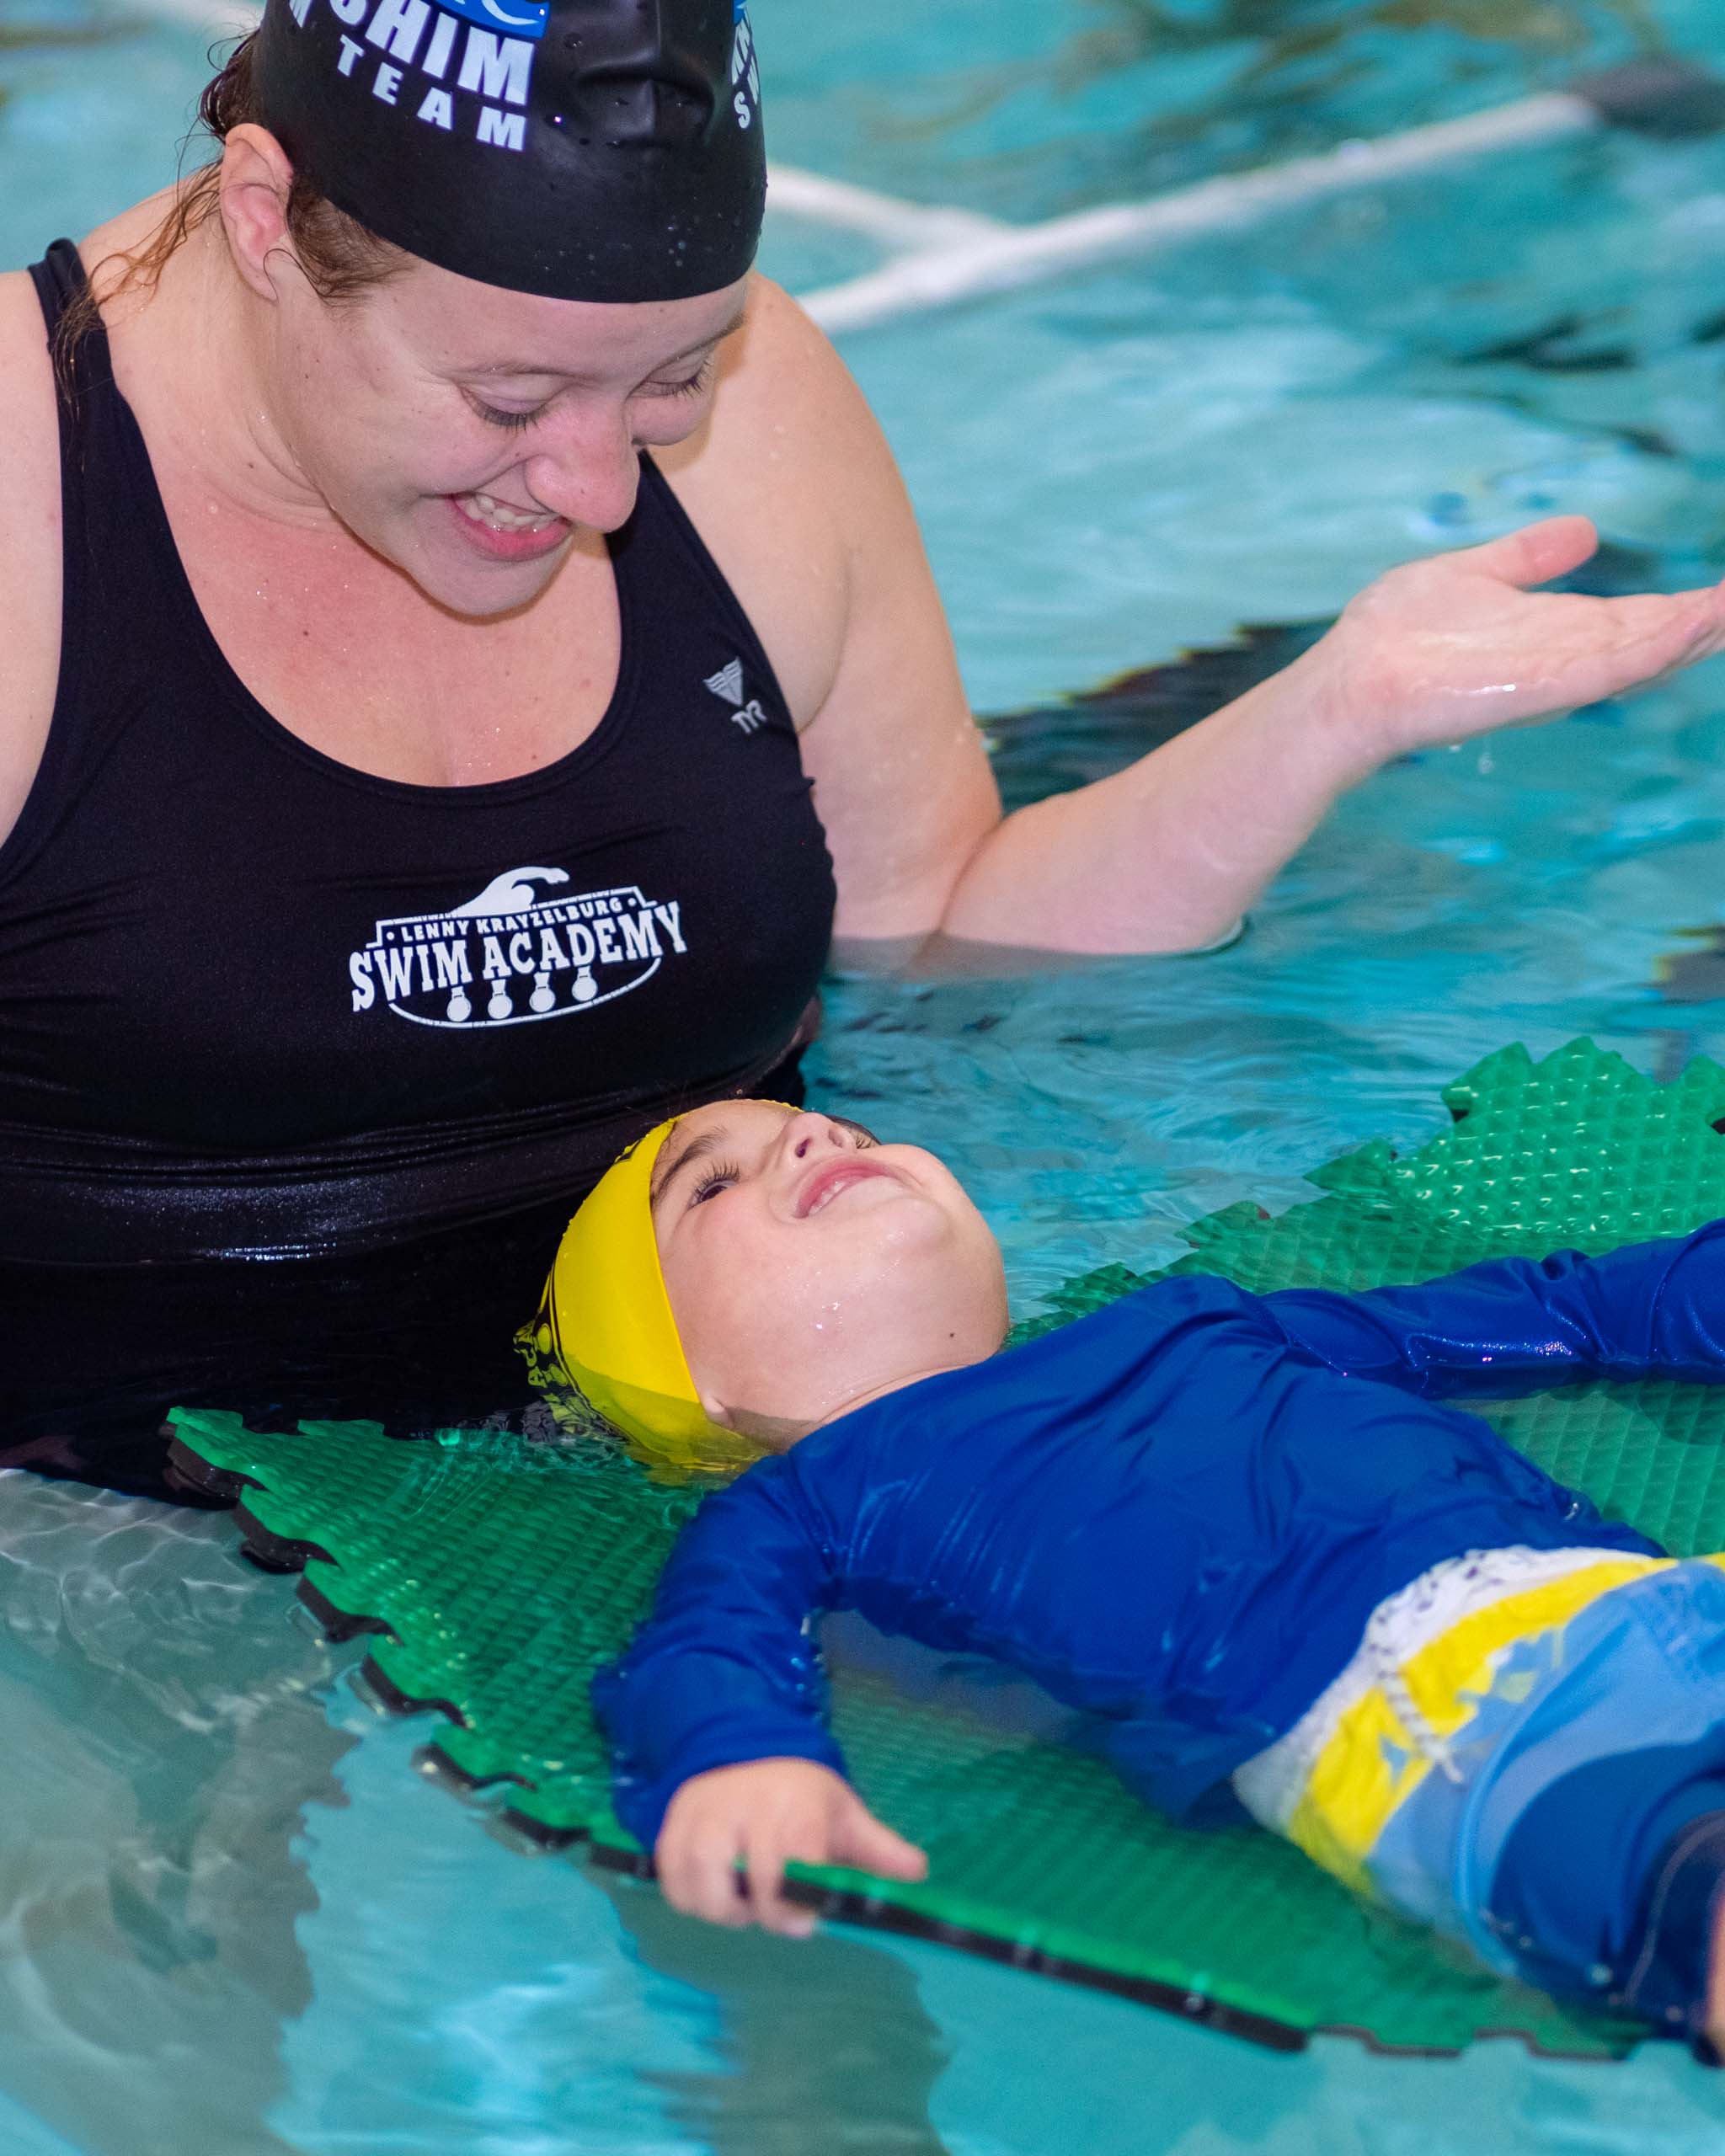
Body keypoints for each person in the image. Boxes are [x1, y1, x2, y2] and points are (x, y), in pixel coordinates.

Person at [5, 0, 1725, 1488]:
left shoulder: (769, 413)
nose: (599, 485)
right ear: (264, 219)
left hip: (779, 1420)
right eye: (510, 400)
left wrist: (1337, 707)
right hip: (117, 1509)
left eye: (673, 380)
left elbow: (945, 928)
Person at [527, 1097, 1725, 2052]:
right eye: (713, 1184)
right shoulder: (804, 1501)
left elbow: (1547, 1312)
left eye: (835, 1125)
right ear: (693, 1388)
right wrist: (741, 1756)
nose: (815, 1134)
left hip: (1643, 1594)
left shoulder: (1194, 1322)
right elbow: (709, 1638)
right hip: (1452, 1722)